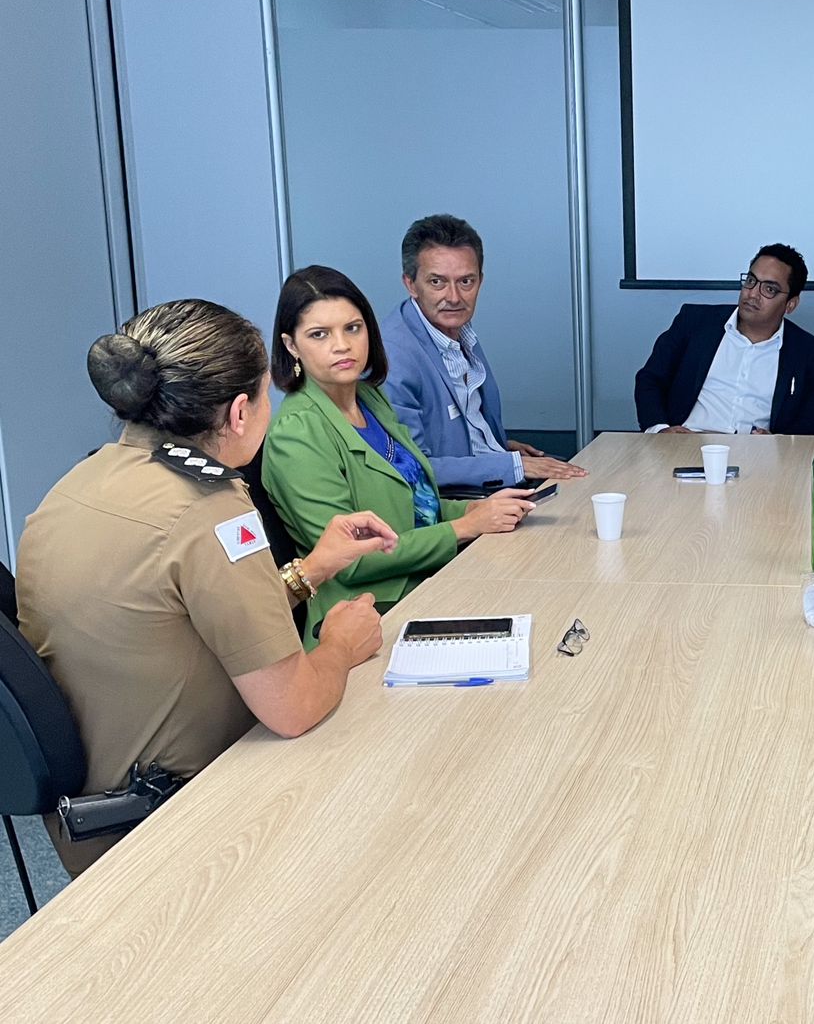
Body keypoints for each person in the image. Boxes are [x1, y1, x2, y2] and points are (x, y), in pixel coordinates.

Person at [17, 299, 394, 876]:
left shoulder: (76, 483)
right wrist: (342, 644)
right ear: (240, 413)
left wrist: (310, 570)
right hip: (182, 825)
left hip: (90, 824)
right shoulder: (210, 508)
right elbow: (292, 707)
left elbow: (175, 616)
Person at [264, 266, 538, 645]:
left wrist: (475, 509)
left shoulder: (369, 397)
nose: (342, 345)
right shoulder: (297, 432)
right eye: (319, 334)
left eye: (353, 328)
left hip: (428, 583)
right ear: (292, 345)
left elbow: (412, 505)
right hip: (368, 613)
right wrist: (464, 527)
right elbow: (350, 559)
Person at [380, 214, 585, 488]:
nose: (454, 297)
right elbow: (414, 467)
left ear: (480, 281)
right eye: (437, 282)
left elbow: (459, 421)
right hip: (462, 500)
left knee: (596, 481)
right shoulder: (393, 357)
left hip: (491, 475)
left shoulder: (458, 330)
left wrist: (497, 446)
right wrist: (509, 466)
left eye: (466, 282)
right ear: (410, 284)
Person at [634, 243, 814, 435]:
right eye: (751, 280)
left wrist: (777, 443)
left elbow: (808, 425)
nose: (752, 294)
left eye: (769, 289)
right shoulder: (694, 322)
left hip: (756, 450)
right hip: (687, 440)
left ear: (790, 304)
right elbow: (650, 379)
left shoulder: (807, 352)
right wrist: (661, 431)